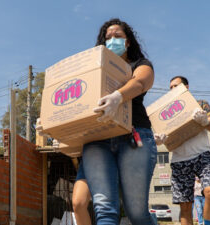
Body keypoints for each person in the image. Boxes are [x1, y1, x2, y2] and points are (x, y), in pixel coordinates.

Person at [81, 18, 157, 225]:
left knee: (136, 213)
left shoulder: (139, 65)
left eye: (118, 36)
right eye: (108, 38)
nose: (112, 40)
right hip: (97, 138)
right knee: (104, 209)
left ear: (128, 41)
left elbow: (141, 82)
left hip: (134, 137)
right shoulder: (92, 69)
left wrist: (118, 97)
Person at [154, 76, 210, 225]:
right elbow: (162, 138)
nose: (172, 89)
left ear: (186, 87)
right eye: (170, 87)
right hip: (179, 161)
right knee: (185, 206)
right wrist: (158, 141)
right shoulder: (164, 112)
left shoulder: (200, 104)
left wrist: (205, 121)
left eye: (175, 86)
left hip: (202, 156)